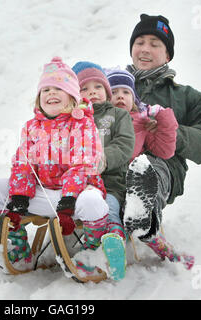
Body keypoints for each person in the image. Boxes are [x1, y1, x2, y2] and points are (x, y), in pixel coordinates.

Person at [0, 57, 111, 274]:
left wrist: (68, 201)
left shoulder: (82, 124)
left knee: (93, 202)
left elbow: (82, 165)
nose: (51, 93)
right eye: (45, 89)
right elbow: (23, 165)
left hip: (75, 195)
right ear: (39, 98)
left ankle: (94, 251)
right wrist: (20, 197)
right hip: (45, 194)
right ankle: (18, 248)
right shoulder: (32, 127)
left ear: (72, 97)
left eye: (58, 88)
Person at [120, 14, 201, 269]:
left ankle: (145, 213)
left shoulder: (187, 97)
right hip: (113, 158)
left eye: (155, 44)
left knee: (146, 168)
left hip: (162, 164)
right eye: (140, 42)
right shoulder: (113, 86)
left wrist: (171, 132)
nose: (145, 49)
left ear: (167, 55)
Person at [71, 61, 135, 280]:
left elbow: (125, 144)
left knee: (109, 208)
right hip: (79, 184)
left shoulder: (119, 115)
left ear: (106, 91)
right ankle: (89, 243)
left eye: (97, 87)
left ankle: (114, 244)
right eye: (84, 88)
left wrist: (103, 158)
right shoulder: (73, 119)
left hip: (111, 181)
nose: (92, 92)